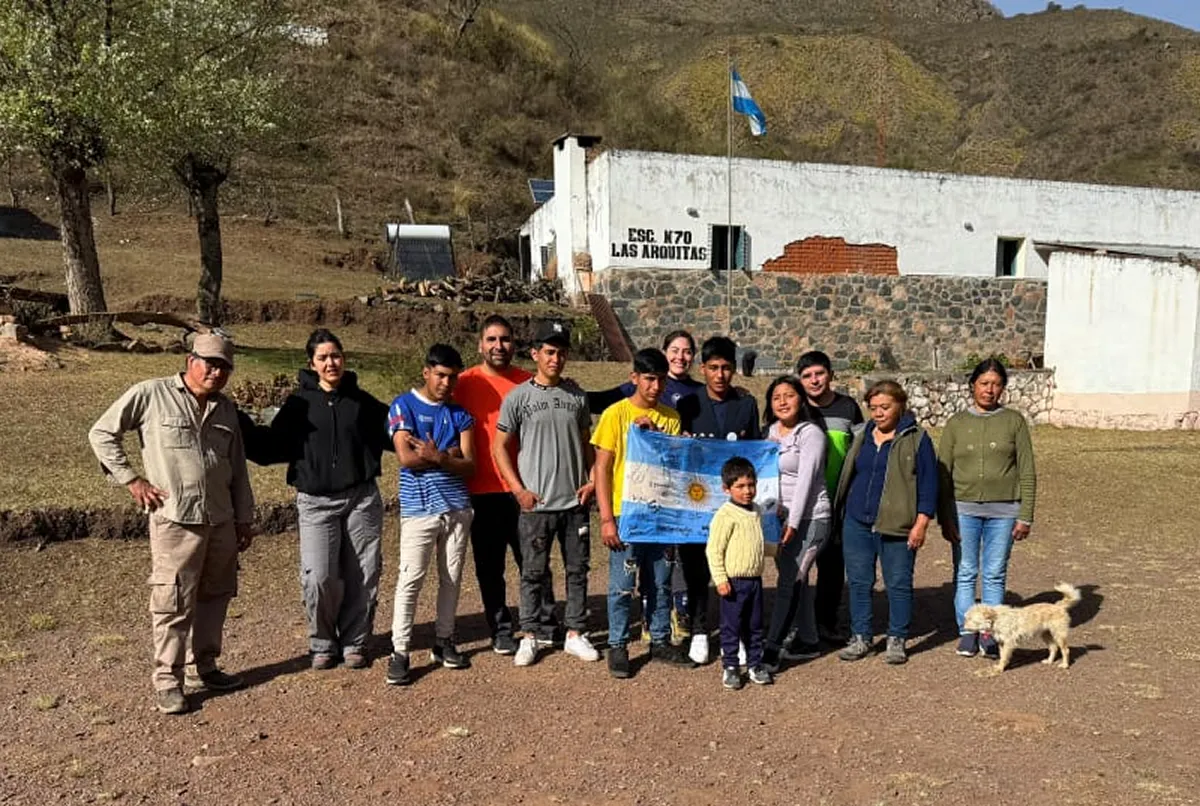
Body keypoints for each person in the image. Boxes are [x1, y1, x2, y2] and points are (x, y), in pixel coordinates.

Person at [88, 333, 255, 715]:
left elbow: (238, 468)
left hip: (221, 519)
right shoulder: (151, 394)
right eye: (210, 363)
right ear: (190, 361)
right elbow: (102, 433)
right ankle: (167, 680)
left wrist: (244, 518)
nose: (216, 372)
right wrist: (132, 480)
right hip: (175, 519)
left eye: (224, 367)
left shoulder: (225, 409)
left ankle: (204, 667)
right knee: (173, 600)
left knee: (216, 594)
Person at [262, 329, 390, 670]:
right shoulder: (298, 404)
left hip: (361, 498)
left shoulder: (361, 401)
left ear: (343, 358)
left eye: (335, 356)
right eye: (323, 358)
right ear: (312, 364)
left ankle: (355, 642)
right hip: (316, 502)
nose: (330, 363)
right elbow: (272, 444)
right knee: (319, 576)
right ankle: (322, 642)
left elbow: (395, 430)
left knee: (363, 572)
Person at [492, 321, 598, 666]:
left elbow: (587, 443)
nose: (556, 359)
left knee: (577, 570)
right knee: (533, 573)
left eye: (562, 352)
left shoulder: (576, 396)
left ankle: (575, 632)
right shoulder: (519, 397)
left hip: (574, 502)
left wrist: (592, 480)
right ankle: (530, 634)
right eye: (550, 352)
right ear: (535, 353)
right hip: (536, 505)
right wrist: (518, 489)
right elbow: (499, 447)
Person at [592, 347, 697, 679]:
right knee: (622, 584)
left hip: (660, 514)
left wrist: (664, 440)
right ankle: (618, 644)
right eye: (649, 379)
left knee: (660, 581)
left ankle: (660, 639)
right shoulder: (615, 414)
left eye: (661, 380)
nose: (655, 387)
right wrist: (606, 519)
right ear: (634, 378)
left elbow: (674, 468)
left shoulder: (671, 417)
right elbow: (602, 468)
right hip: (627, 514)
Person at [453, 314, 554, 655]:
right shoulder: (463, 383)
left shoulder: (529, 382)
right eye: (492, 339)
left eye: (505, 339)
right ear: (480, 345)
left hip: (524, 489)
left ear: (515, 344)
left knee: (534, 561)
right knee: (489, 567)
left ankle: (543, 623)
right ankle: (501, 629)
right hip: (480, 491)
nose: (499, 346)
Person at [385, 344, 476, 686]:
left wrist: (439, 456)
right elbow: (406, 458)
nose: (446, 383)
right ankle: (400, 650)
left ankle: (444, 640)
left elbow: (470, 465)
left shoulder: (460, 413)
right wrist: (448, 456)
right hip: (419, 509)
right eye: (440, 375)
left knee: (451, 578)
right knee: (411, 580)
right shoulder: (403, 405)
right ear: (426, 372)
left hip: (457, 507)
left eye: (452, 377)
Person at [938, 358, 1037, 659]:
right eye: (984, 383)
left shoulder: (1014, 421)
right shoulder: (956, 424)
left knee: (994, 573)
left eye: (996, 384)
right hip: (963, 510)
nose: (989, 390)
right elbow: (943, 473)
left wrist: (1025, 515)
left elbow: (1027, 470)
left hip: (1004, 511)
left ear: (1003, 388)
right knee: (966, 571)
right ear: (973, 385)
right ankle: (967, 631)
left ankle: (989, 633)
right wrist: (945, 516)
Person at [833, 380, 937, 665]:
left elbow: (929, 485)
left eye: (885, 407)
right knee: (858, 581)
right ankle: (861, 636)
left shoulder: (917, 439)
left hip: (898, 525)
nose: (878, 413)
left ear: (899, 405)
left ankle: (896, 638)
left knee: (898, 582)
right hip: (857, 521)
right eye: (873, 407)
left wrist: (921, 523)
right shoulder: (863, 435)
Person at [674, 335, 761, 663]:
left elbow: (755, 451)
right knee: (697, 569)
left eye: (726, 368)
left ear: (734, 369)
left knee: (734, 567)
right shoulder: (688, 404)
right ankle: (699, 629)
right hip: (696, 501)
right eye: (713, 368)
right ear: (703, 368)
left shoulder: (746, 404)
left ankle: (735, 634)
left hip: (733, 504)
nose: (720, 375)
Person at [760, 375, 831, 672]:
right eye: (776, 397)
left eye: (789, 395)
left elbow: (806, 481)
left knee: (790, 581)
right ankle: (809, 639)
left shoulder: (810, 433)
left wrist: (793, 520)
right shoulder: (769, 433)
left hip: (811, 518)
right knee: (795, 580)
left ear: (800, 399)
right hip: (778, 519)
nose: (783, 402)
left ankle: (771, 649)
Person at [794, 350, 864, 645]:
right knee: (798, 566)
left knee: (833, 567)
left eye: (819, 373)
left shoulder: (848, 408)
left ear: (831, 375)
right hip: (801, 502)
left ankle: (825, 622)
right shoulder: (795, 407)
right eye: (807, 376)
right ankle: (798, 624)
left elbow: (860, 449)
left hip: (838, 500)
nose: (814, 380)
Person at [706, 457, 772, 690]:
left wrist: (775, 550)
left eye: (751, 485)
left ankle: (755, 664)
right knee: (731, 627)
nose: (747, 491)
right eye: (740, 486)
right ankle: (731, 667)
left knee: (755, 625)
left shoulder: (756, 511)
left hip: (755, 581)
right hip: (733, 583)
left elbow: (755, 542)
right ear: (727, 489)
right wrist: (720, 579)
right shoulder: (725, 515)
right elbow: (714, 550)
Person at [586, 330, 703, 413]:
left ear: (693, 355)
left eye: (687, 352)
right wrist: (576, 394)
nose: (680, 357)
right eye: (675, 351)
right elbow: (600, 401)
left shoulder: (702, 391)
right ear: (664, 353)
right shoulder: (643, 384)